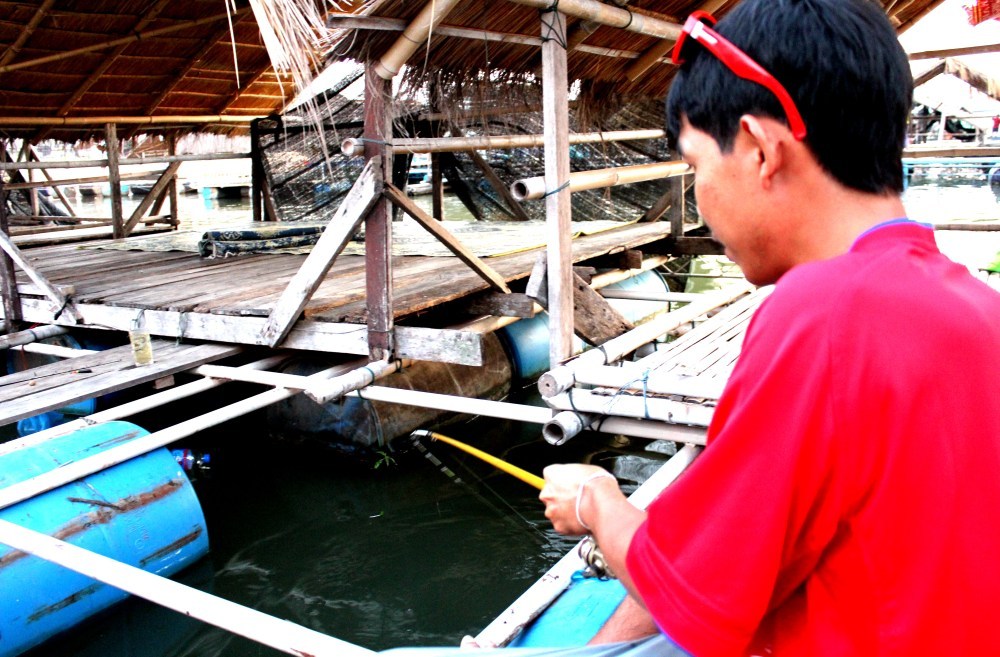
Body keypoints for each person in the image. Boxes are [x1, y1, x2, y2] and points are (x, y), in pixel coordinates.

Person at [539, 1, 1000, 655]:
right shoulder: (980, 309)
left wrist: (594, 501)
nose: (700, 196)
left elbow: (696, 596)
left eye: (696, 165)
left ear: (759, 149)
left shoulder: (823, 313)